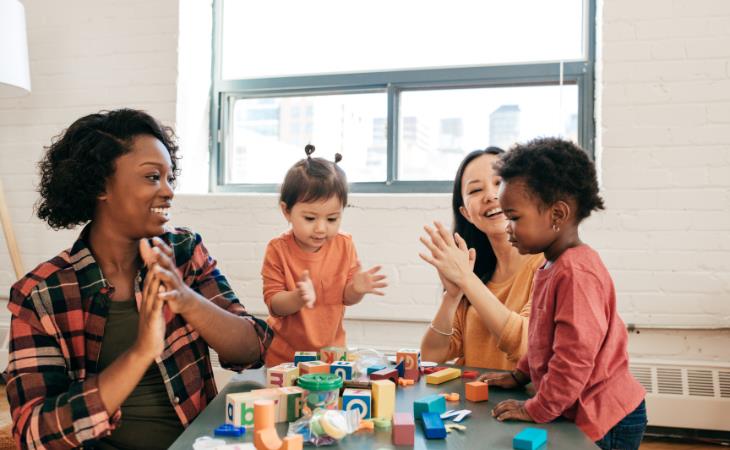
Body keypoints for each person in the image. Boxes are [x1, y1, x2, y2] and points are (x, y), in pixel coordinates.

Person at [4, 109, 272, 449]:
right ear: (101, 185)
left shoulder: (184, 252)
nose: (168, 191)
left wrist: (186, 298)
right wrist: (141, 351)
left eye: (169, 178)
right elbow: (33, 433)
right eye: (151, 177)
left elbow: (254, 349)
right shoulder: (40, 296)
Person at [477, 137, 646, 449]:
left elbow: (574, 358)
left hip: (605, 417)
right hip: (578, 407)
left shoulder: (575, 273)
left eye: (514, 217)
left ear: (557, 215)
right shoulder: (552, 263)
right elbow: (544, 339)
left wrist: (537, 408)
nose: (507, 227)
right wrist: (521, 374)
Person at [261, 145, 387, 366]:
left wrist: (357, 289)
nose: (321, 228)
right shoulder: (277, 249)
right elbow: (274, 304)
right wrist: (298, 298)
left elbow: (346, 297)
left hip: (332, 356)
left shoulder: (344, 244)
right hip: (285, 359)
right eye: (310, 218)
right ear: (286, 211)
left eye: (332, 219)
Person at [419, 148, 544, 369]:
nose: (490, 195)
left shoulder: (546, 266)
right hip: (473, 403)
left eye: (500, 182)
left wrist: (467, 280)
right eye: (476, 190)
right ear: (466, 213)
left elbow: (527, 347)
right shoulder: (475, 272)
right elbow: (431, 355)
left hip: (522, 404)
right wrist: (452, 296)